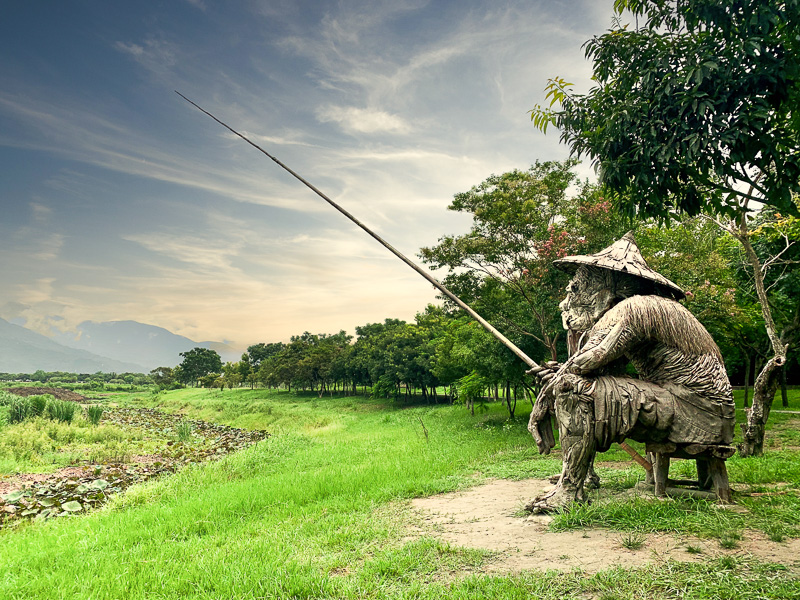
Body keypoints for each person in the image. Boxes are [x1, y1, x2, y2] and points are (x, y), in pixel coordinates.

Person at [526, 232, 735, 513]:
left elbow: (586, 364)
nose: (566, 302)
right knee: (573, 383)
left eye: (575, 290)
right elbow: (595, 369)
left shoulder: (636, 308)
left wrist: (548, 393)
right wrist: (560, 373)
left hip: (696, 410)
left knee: (571, 389)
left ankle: (569, 492)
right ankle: (580, 477)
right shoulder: (649, 309)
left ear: (607, 289)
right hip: (694, 405)